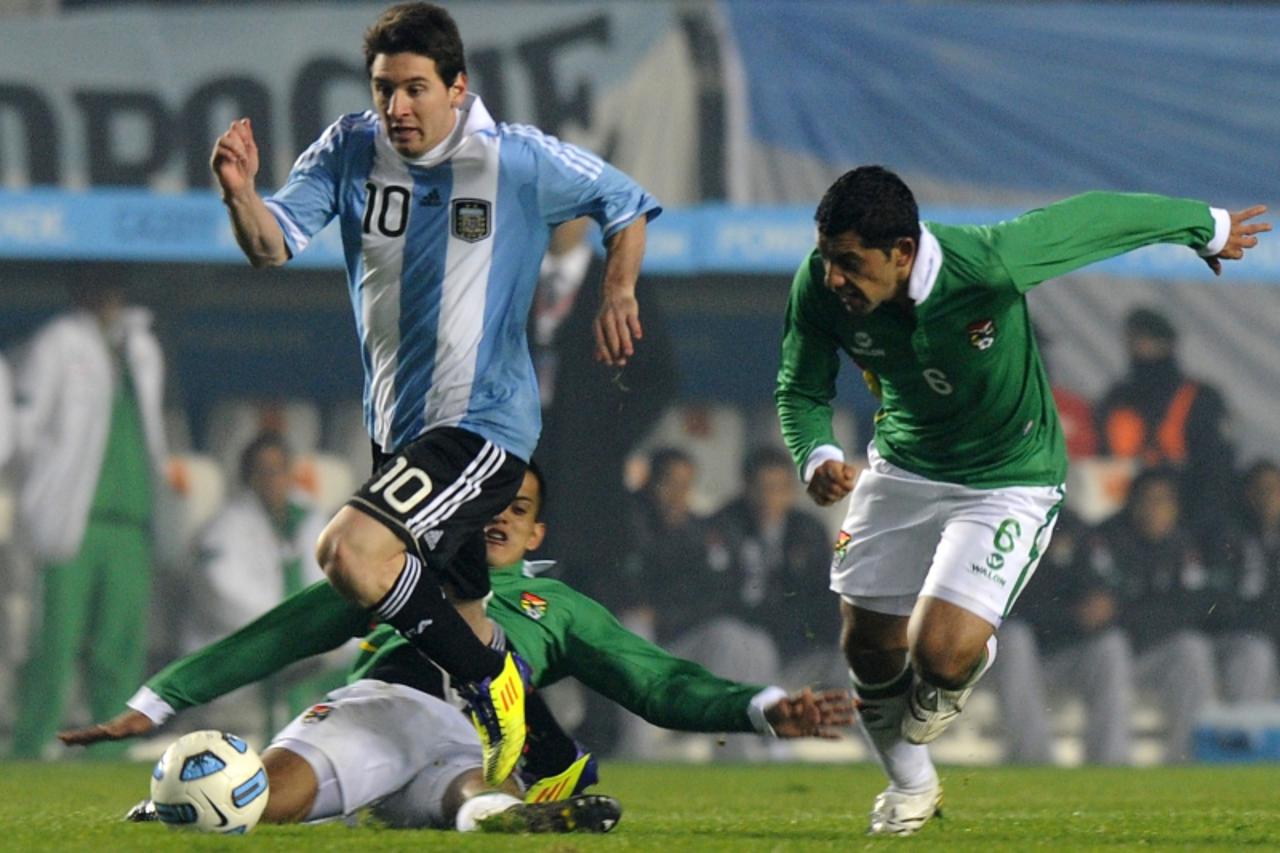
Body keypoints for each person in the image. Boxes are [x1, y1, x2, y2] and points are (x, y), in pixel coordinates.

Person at [209, 1, 659, 785]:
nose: (397, 107)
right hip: (399, 430)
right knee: (457, 614)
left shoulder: (515, 158)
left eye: (415, 88)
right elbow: (270, 244)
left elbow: (624, 200)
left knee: (348, 552)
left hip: (484, 426)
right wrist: (240, 193)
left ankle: (492, 687)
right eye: (384, 88)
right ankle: (565, 775)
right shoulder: (351, 147)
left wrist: (618, 289)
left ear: (458, 86)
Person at [774, 164, 1268, 834]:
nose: (834, 276)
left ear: (903, 252)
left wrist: (1205, 227)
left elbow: (1096, 218)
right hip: (903, 468)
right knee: (867, 648)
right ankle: (911, 785)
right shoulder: (821, 286)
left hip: (1010, 475)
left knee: (939, 654)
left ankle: (963, 663)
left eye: (849, 262)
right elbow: (800, 386)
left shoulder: (987, 265)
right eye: (829, 258)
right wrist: (820, 454)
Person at [60, 466, 850, 829]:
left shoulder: (563, 607)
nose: (501, 518)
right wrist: (158, 699)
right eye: (490, 505)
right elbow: (282, 631)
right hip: (387, 705)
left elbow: (659, 681)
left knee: (468, 788)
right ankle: (200, 802)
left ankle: (503, 817)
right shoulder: (402, 566)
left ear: (539, 532)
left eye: (521, 510)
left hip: (475, 739)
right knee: (272, 795)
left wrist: (762, 706)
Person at [7, 281, 169, 759]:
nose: (109, 299)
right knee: (53, 643)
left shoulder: (141, 346)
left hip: (132, 519)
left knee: (119, 648)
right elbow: (26, 427)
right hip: (74, 519)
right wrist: (41, 487)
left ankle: (107, 752)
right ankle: (30, 746)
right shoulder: (58, 341)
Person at [181, 432, 340, 735]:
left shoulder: (310, 519)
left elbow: (333, 582)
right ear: (248, 477)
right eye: (263, 472)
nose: (273, 480)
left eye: (279, 470)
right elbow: (224, 596)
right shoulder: (224, 528)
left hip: (303, 651)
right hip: (241, 659)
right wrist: (291, 626)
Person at [990, 508, 1135, 765]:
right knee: (1013, 637)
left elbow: (1103, 592)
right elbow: (1002, 604)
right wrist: (1070, 616)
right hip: (1005, 660)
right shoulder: (999, 523)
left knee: (1111, 645)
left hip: (1064, 653)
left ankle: (1110, 763)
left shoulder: (1073, 527)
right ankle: (1033, 760)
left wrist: (1101, 605)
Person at [706, 446, 842, 687]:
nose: (769, 498)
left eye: (779, 489)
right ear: (747, 488)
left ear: (791, 492)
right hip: (750, 643)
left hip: (801, 644)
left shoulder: (808, 530)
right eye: (762, 488)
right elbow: (721, 593)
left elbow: (823, 590)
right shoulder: (725, 527)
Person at [1097, 306, 1237, 539]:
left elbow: (1217, 468)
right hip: (1121, 517)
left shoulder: (1199, 398)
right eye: (1134, 340)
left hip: (1188, 516)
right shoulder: (1117, 398)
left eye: (1147, 340)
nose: (1138, 347)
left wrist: (1199, 523)